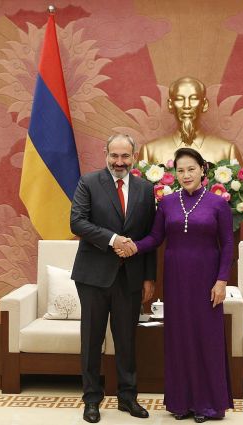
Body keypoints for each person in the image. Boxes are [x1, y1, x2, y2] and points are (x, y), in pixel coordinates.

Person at [116, 147, 234, 422]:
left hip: (207, 281)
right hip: (177, 280)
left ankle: (207, 405)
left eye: (191, 169)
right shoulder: (167, 203)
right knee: (179, 339)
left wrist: (221, 280)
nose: (185, 175)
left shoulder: (218, 204)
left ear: (203, 170)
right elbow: (155, 238)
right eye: (180, 170)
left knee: (206, 338)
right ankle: (181, 403)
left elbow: (227, 244)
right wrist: (132, 246)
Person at [70, 134, 157, 423]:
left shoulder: (146, 189)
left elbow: (149, 237)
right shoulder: (89, 182)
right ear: (105, 153)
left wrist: (148, 278)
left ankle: (127, 398)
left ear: (134, 157)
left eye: (125, 156)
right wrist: (113, 239)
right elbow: (78, 222)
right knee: (92, 339)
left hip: (130, 277)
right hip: (93, 276)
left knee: (126, 340)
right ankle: (92, 399)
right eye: (114, 156)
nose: (119, 162)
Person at [138, 76, 243, 165]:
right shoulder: (150, 151)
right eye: (180, 99)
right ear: (170, 105)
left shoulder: (227, 151)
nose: (187, 106)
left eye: (193, 99)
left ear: (204, 104)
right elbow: (138, 189)